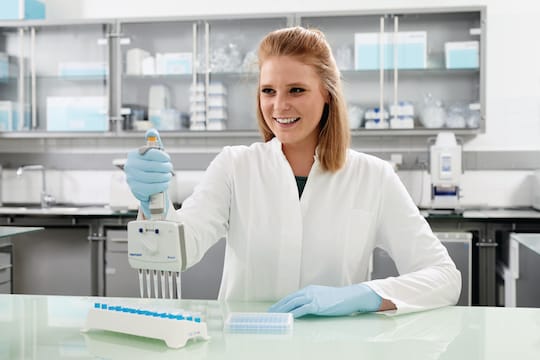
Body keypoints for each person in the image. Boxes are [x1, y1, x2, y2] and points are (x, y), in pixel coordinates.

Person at [124, 26, 461, 318]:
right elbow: (180, 250)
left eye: (296, 90)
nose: (279, 105)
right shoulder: (235, 166)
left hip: (335, 348)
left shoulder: (373, 177)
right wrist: (155, 203)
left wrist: (363, 296)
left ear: (327, 94)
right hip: (248, 346)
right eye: (268, 91)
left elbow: (445, 277)